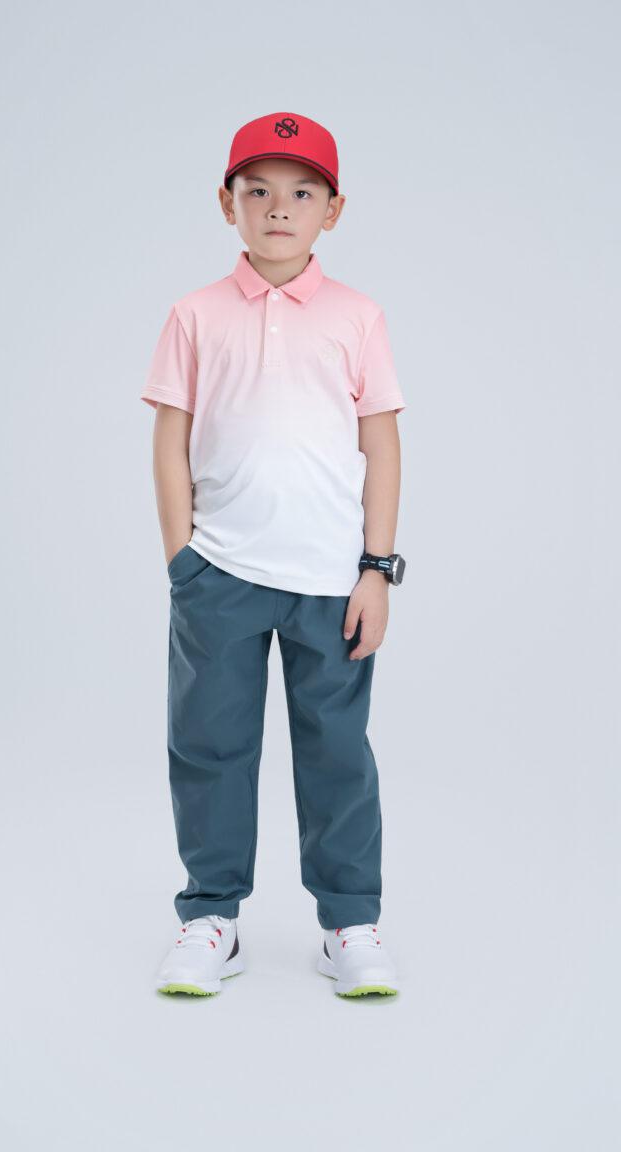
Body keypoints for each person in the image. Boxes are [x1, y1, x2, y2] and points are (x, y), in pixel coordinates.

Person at [140, 112, 407, 998]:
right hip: (219, 574)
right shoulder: (194, 315)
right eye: (257, 191)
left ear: (333, 210)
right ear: (228, 204)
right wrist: (183, 560)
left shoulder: (358, 316)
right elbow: (170, 439)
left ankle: (349, 924)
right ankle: (211, 918)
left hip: (331, 580)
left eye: (301, 192)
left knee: (337, 753)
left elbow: (382, 445)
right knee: (210, 747)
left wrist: (377, 569)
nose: (278, 208)